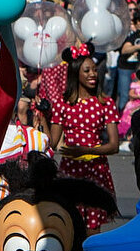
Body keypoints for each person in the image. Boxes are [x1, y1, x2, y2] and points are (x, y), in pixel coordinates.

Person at [44, 50, 120, 217]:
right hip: (70, 170)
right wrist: (42, 117)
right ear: (75, 73)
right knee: (71, 223)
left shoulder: (105, 103)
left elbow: (114, 146)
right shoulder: (62, 104)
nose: (93, 74)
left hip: (96, 169)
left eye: (94, 69)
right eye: (87, 71)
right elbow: (52, 142)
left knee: (93, 227)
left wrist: (86, 151)